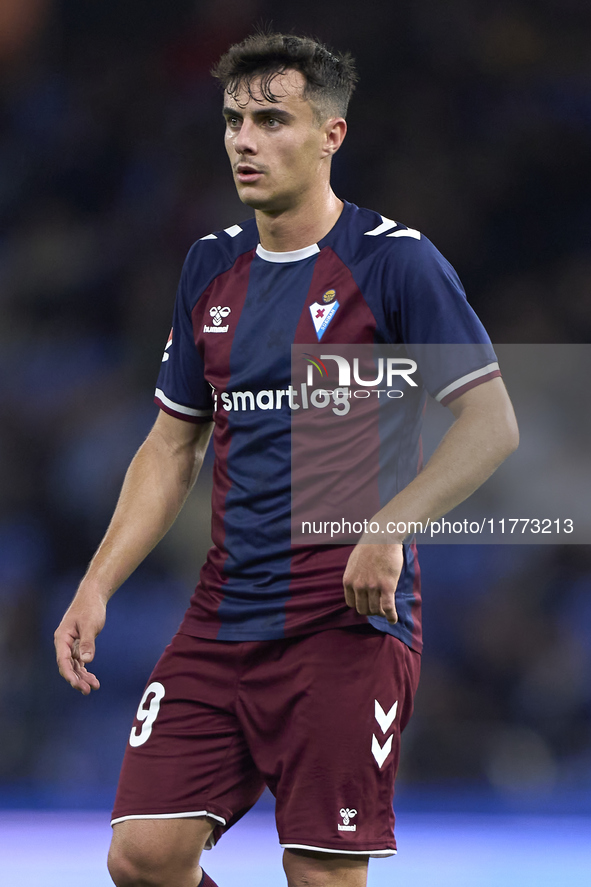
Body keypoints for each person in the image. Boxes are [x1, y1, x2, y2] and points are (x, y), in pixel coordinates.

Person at [54, 31, 519, 887]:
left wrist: (389, 528)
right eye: (234, 119)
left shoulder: (395, 262)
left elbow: (490, 423)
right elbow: (171, 443)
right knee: (143, 856)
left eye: (272, 119)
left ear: (330, 136)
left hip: (343, 626)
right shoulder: (209, 265)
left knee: (320, 874)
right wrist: (98, 581)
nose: (244, 139)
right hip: (223, 617)